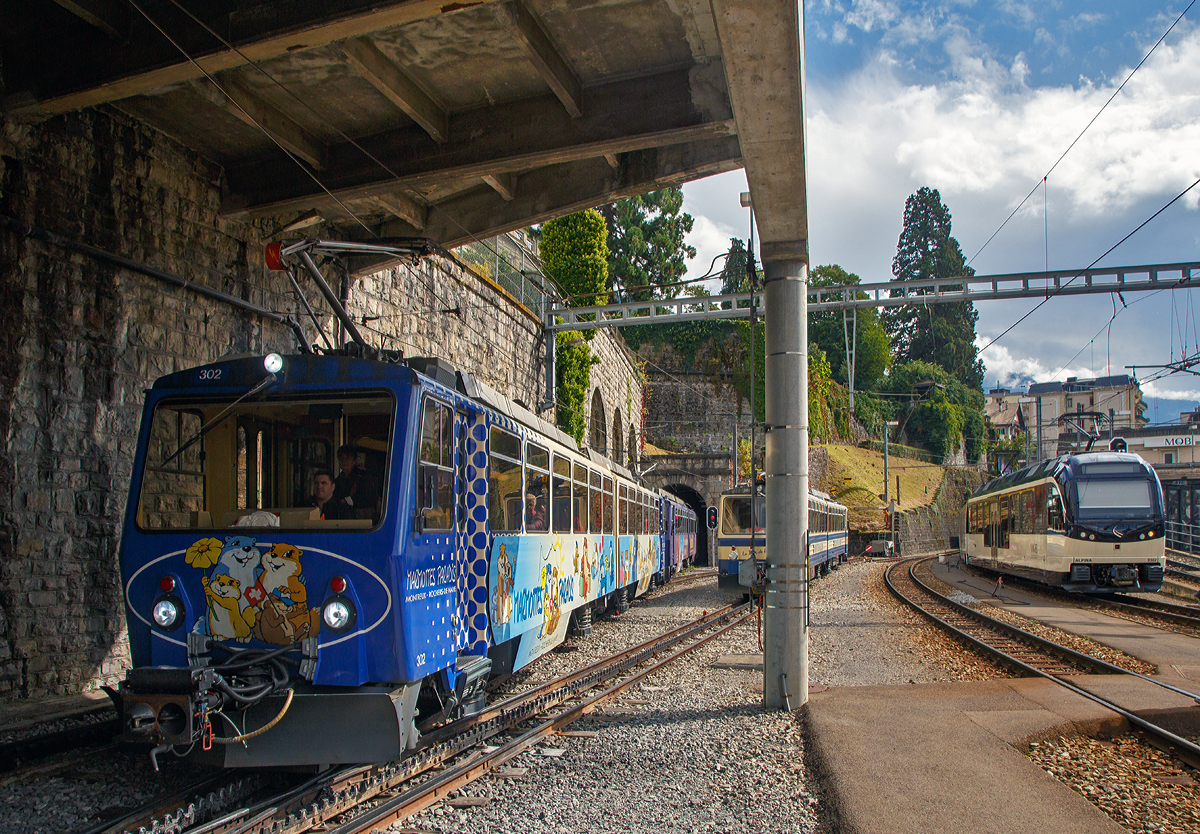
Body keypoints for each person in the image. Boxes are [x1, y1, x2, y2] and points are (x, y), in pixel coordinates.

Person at [333, 445, 377, 516]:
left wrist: (347, 500)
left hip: (360, 518)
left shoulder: (363, 477)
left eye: (347, 458)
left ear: (354, 460)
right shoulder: (338, 479)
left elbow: (370, 498)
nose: (344, 461)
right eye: (341, 458)